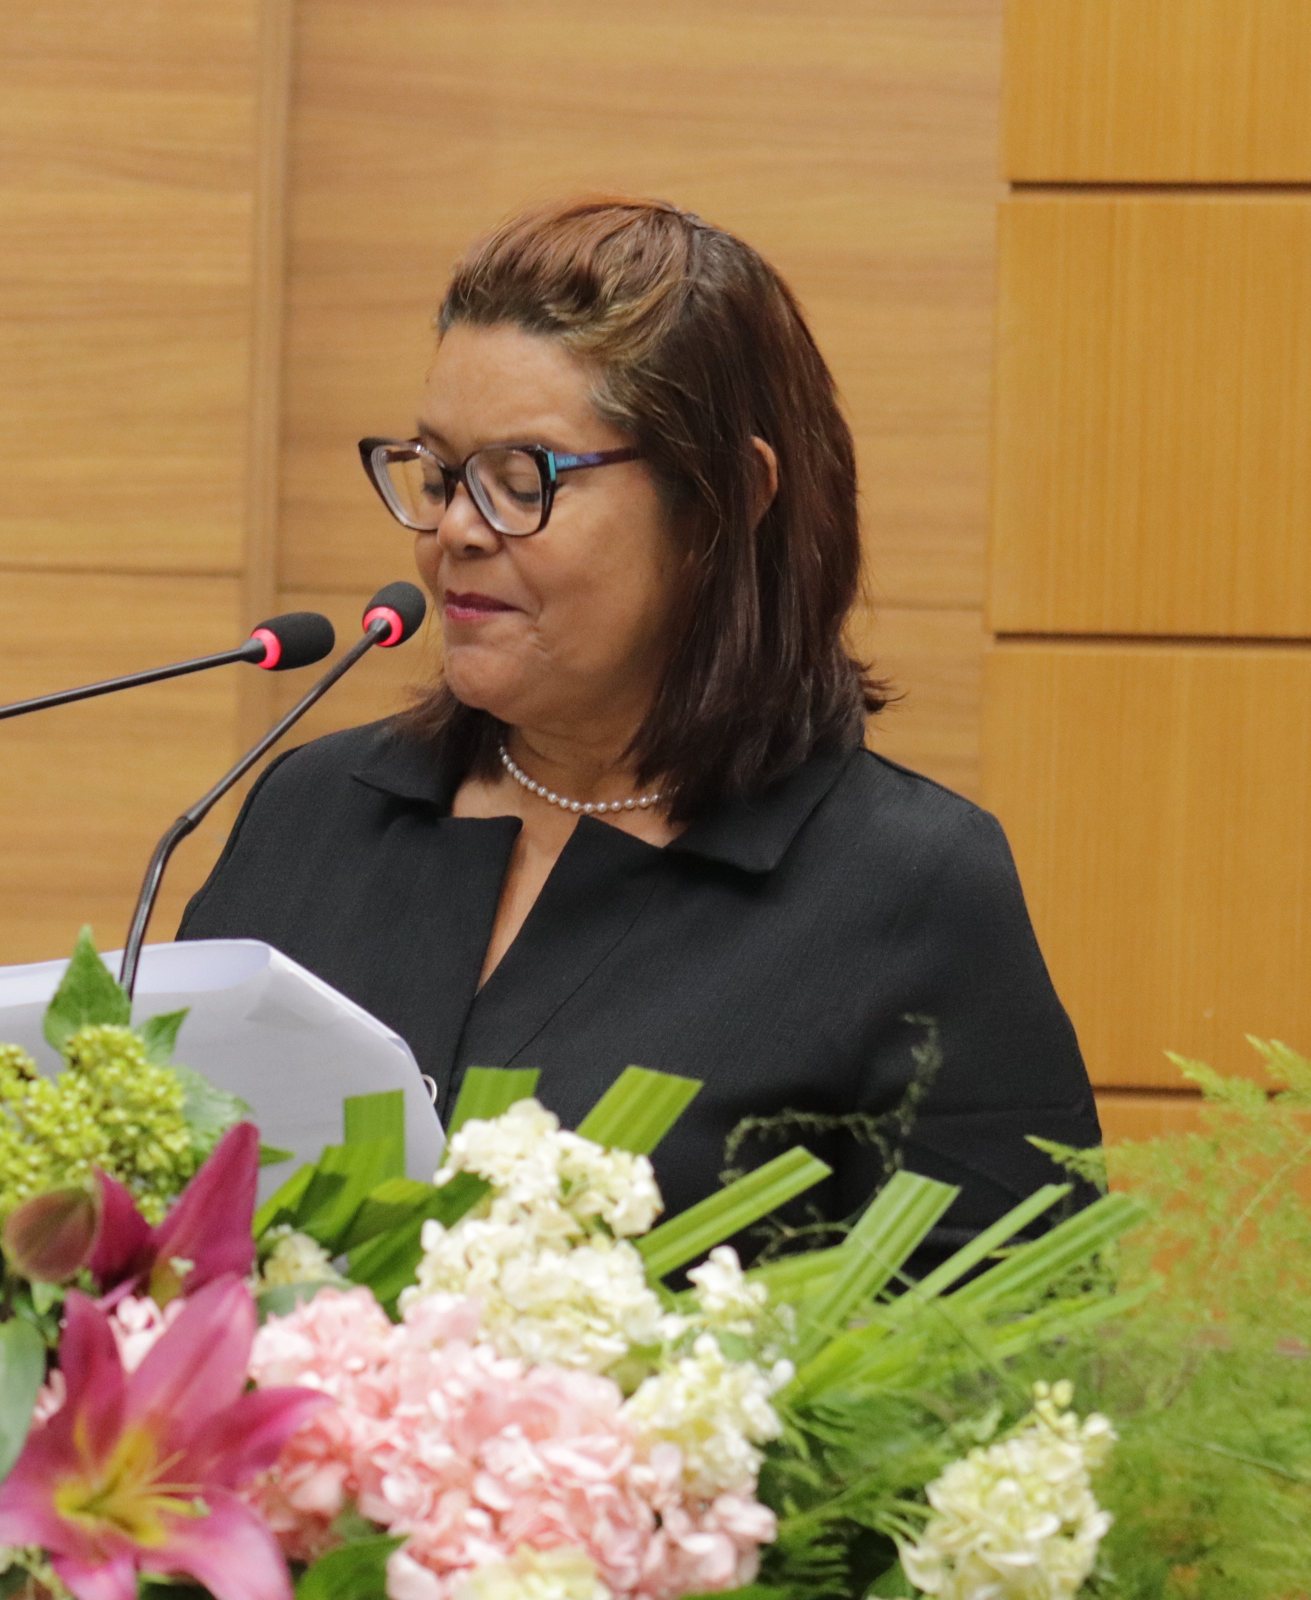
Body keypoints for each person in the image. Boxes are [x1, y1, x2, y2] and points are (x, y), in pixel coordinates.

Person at [180, 196, 1097, 1261]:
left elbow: (1005, 1328)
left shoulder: (907, 889)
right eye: (437, 475)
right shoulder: (313, 815)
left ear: (726, 499)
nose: (456, 531)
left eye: (520, 481)